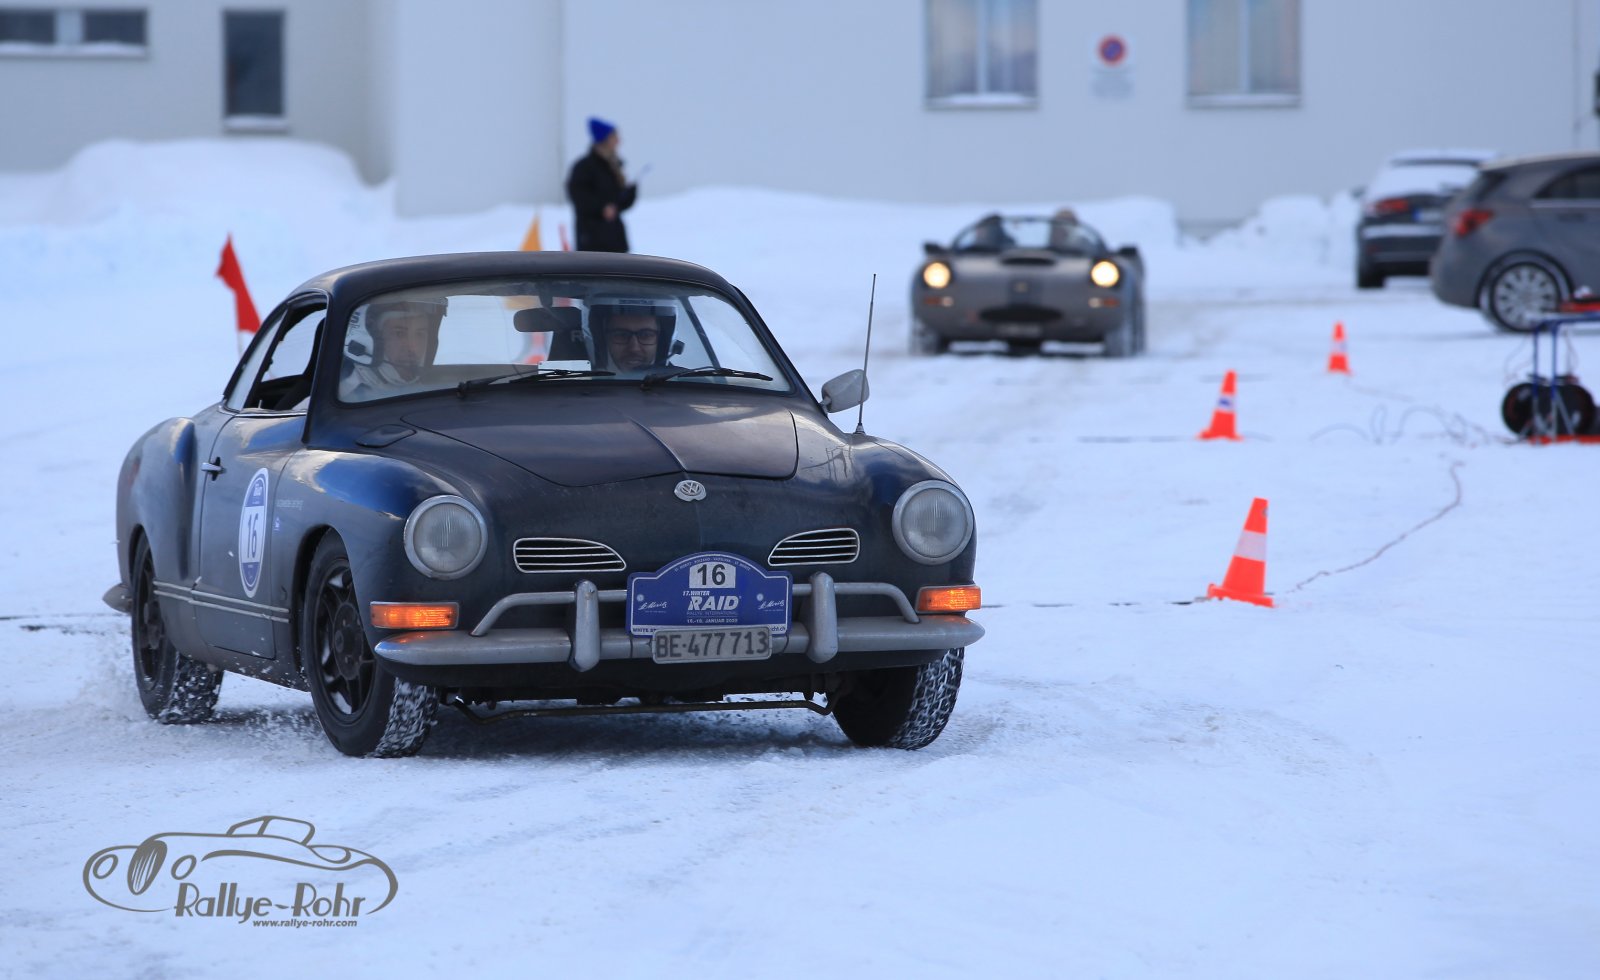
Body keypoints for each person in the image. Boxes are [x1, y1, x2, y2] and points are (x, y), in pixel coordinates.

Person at [340, 299, 446, 399]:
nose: (412, 346)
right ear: (367, 338)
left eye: (420, 334)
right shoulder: (342, 395)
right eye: (399, 334)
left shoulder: (434, 390)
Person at [566, 117, 637, 252]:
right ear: (604, 140)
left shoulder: (614, 167)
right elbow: (579, 197)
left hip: (616, 242)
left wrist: (630, 194)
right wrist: (601, 208)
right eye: (614, 137)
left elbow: (618, 203)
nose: (618, 141)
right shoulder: (584, 167)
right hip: (592, 243)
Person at [588, 297, 677, 373]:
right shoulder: (582, 384)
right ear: (602, 340)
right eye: (621, 335)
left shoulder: (680, 383)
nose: (634, 348)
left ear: (661, 341)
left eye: (646, 335)